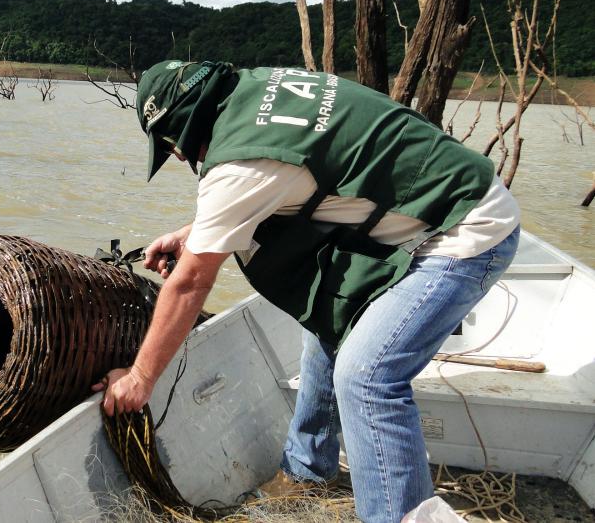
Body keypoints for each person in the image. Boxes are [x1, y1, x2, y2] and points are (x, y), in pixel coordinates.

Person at [91, 60, 520, 522]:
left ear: (185, 126)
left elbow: (191, 281)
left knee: (366, 378)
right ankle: (306, 473)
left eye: (172, 144)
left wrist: (140, 379)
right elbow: (283, 174)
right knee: (325, 329)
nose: (177, 156)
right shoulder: (260, 89)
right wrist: (195, 232)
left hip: (466, 230)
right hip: (439, 203)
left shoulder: (237, 165)